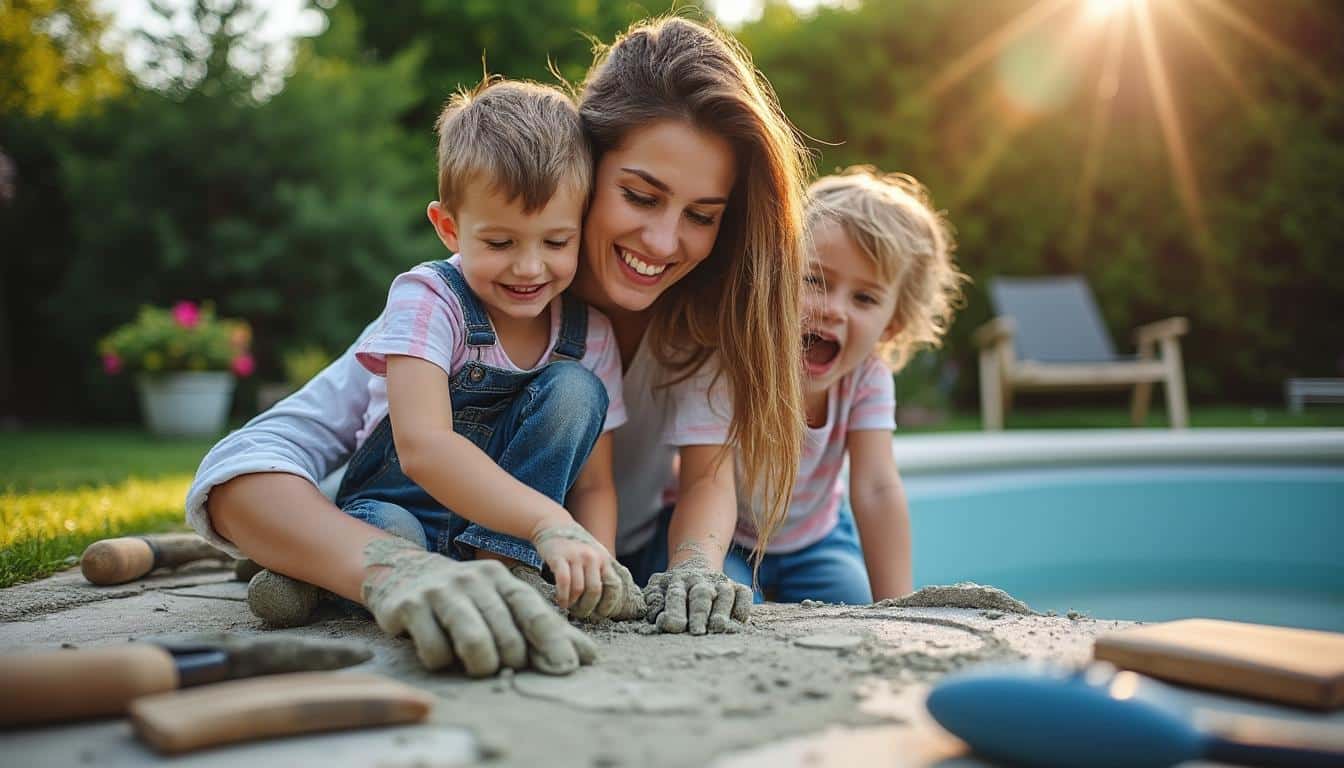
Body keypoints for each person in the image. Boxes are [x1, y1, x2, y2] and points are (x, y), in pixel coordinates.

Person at [185, 16, 811, 676]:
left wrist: (693, 565)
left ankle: (311, 573)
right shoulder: (452, 304)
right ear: (583, 169)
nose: (661, 241)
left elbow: (706, 475)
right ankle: (323, 571)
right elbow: (242, 473)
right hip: (420, 525)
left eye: (702, 215)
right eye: (638, 195)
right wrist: (390, 569)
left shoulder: (703, 324)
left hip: (584, 560)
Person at [305, 79, 635, 622]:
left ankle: (501, 565)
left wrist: (601, 563)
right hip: (399, 506)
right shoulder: (429, 299)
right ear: (449, 228)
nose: (529, 267)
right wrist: (548, 525)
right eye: (500, 243)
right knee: (390, 544)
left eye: (556, 242)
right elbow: (422, 446)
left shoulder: (589, 334)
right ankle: (310, 577)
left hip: (514, 537)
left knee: (576, 387)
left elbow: (596, 483)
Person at [721, 167, 968, 604]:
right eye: (815, 280)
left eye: (865, 298)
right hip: (725, 534)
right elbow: (703, 477)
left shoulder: (867, 379)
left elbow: (876, 487)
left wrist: (898, 607)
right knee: (731, 601)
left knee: (853, 599)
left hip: (816, 540)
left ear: (892, 325)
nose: (834, 309)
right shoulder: (743, 361)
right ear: (779, 277)